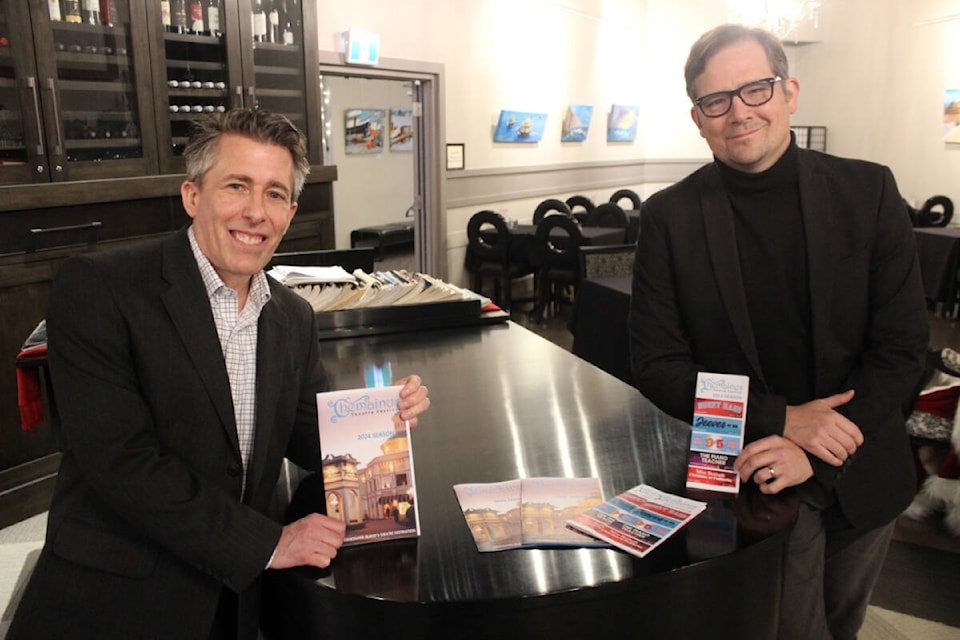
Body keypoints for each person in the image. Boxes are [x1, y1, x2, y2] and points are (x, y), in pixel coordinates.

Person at [7, 109, 430, 640]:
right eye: (237, 186)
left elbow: (304, 435)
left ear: (291, 211)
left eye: (275, 194)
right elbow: (121, 462)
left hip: (237, 600)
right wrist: (270, 544)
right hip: (121, 596)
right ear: (192, 196)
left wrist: (378, 421)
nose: (257, 211)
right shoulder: (99, 288)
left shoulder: (292, 316)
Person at [629, 24, 928, 640]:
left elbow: (901, 349)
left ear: (789, 91)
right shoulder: (669, 217)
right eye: (717, 100)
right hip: (743, 468)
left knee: (840, 623)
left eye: (755, 89)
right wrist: (783, 421)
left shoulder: (868, 190)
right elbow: (658, 365)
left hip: (862, 465)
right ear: (698, 117)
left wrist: (812, 446)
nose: (739, 112)